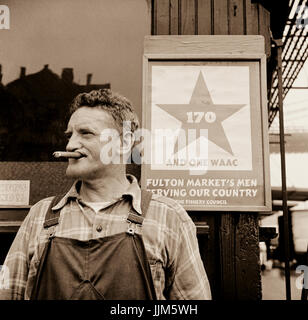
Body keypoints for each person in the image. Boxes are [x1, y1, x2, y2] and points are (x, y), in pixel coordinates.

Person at [0, 89, 211, 300]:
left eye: (86, 133)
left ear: (125, 142)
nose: (70, 144)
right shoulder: (39, 216)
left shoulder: (167, 216)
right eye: (70, 135)